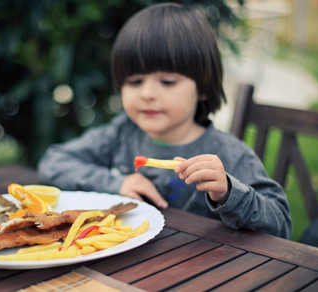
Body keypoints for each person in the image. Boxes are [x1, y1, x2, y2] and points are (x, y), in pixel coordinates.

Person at [38, 3, 292, 239]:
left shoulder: (230, 154)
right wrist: (118, 182)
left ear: (202, 88)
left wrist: (227, 192)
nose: (147, 94)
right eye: (135, 82)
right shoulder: (122, 133)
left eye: (168, 82)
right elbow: (54, 161)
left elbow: (281, 225)